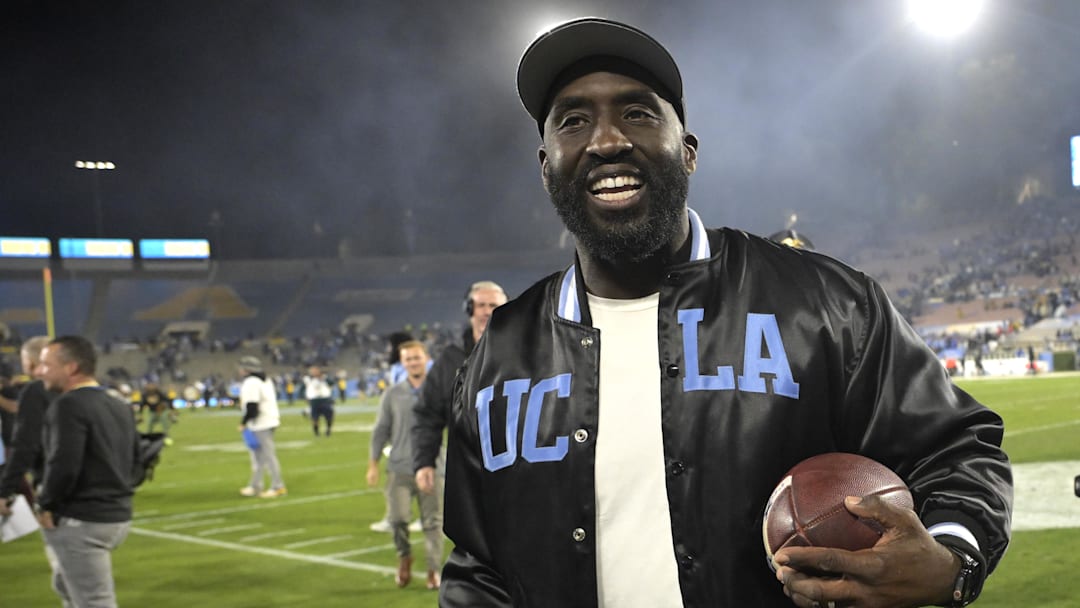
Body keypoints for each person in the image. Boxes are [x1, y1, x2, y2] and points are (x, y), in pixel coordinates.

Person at [439, 17, 1012, 608]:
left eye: (637, 113)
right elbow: (478, 566)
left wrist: (953, 559)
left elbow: (956, 448)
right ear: (545, 164)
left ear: (687, 152)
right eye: (573, 120)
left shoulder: (825, 304)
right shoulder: (499, 355)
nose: (606, 141)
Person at [33, 335, 139, 608]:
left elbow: (64, 463)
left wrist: (46, 505)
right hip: (117, 516)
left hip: (84, 518)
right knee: (66, 585)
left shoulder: (68, 405)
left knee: (94, 602)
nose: (39, 371)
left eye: (46, 364)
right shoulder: (118, 403)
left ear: (70, 368)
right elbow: (137, 461)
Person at [412, 280, 508, 495]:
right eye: (480, 305)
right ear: (469, 309)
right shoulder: (450, 360)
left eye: (493, 306)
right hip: (465, 471)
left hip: (516, 470)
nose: (486, 312)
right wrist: (424, 462)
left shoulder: (524, 355)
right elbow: (427, 414)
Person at [367, 340, 444, 590]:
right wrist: (373, 464)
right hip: (399, 467)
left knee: (433, 522)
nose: (413, 362)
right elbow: (381, 430)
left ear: (426, 358)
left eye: (417, 358)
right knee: (398, 519)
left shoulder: (440, 390)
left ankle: (433, 569)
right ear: (403, 363)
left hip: (433, 467)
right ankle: (404, 557)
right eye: (408, 359)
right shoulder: (392, 393)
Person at [0, 336, 53, 516]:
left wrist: (4, 492)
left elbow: (26, 445)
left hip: (54, 479)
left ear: (30, 362)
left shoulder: (35, 391)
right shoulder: (80, 389)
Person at [237, 356, 286, 498]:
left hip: (261, 422)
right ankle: (255, 485)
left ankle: (277, 486)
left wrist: (243, 422)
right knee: (259, 457)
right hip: (268, 420)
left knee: (266, 456)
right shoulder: (264, 379)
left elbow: (252, 405)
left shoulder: (251, 382)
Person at [302, 365, 335, 436]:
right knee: (315, 418)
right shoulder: (307, 379)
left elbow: (332, 383)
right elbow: (302, 388)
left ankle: (328, 430)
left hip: (325, 399)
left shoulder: (324, 377)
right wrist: (305, 396)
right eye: (312, 371)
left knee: (329, 417)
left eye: (315, 370)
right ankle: (317, 433)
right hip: (314, 400)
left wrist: (322, 378)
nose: (313, 372)